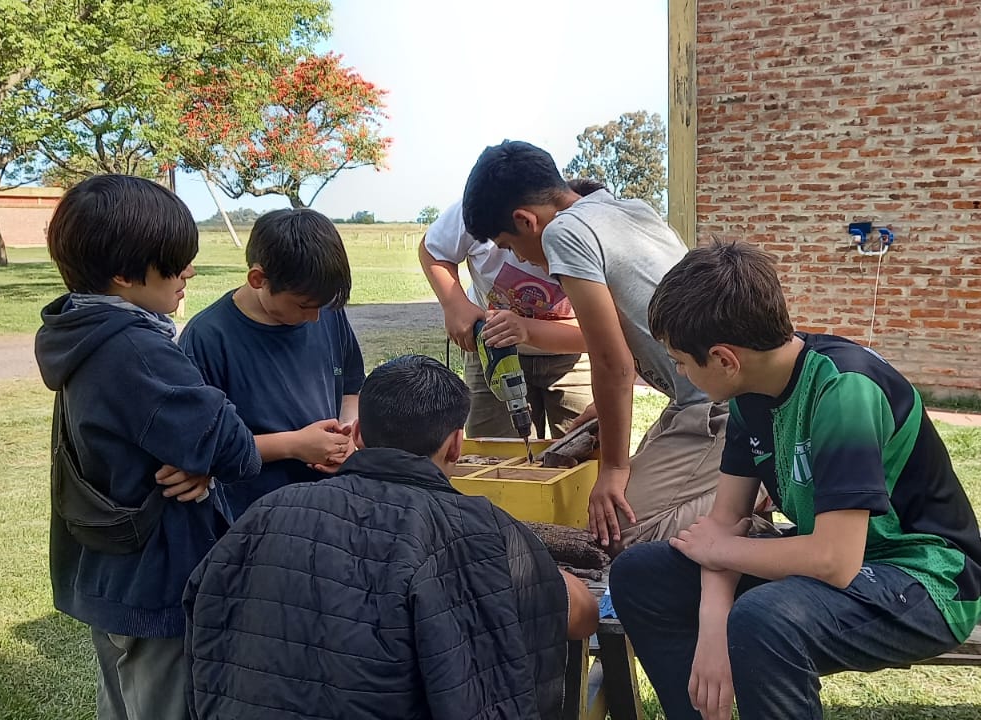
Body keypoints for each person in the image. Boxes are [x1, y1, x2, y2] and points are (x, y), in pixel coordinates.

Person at [609, 242, 981, 719]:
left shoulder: (844, 390)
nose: (678, 371)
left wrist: (724, 555)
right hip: (842, 562)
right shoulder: (749, 393)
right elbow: (722, 527)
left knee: (765, 621)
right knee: (640, 574)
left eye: (681, 361)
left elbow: (834, 561)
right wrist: (713, 628)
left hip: (927, 578)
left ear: (724, 358)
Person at [184, 355, 599, 720]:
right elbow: (582, 613)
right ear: (456, 445)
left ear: (358, 434)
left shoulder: (266, 513)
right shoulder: (478, 528)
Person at [35, 174, 268, 720]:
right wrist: (209, 459)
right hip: (154, 579)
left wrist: (200, 465)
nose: (188, 273)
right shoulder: (138, 349)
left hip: (108, 568)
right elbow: (236, 447)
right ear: (123, 274)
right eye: (174, 262)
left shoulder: (80, 328)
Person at [462, 141, 742, 548]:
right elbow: (632, 337)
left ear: (525, 221)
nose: (519, 259)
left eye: (508, 246)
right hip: (695, 398)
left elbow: (613, 363)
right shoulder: (626, 209)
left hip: (718, 407)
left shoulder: (563, 233)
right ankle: (739, 487)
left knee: (618, 528)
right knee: (616, 508)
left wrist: (612, 468)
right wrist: (602, 409)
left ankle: (751, 493)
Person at [179, 208, 363, 520]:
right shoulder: (208, 337)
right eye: (303, 306)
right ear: (258, 279)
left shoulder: (326, 310)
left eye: (323, 306)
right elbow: (203, 449)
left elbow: (350, 388)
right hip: (251, 518)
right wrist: (295, 445)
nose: (315, 318)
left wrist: (347, 436)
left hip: (327, 507)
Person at [417, 179, 607, 439]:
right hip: (493, 351)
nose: (518, 257)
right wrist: (455, 305)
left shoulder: (590, 233)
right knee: (494, 447)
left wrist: (526, 329)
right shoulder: (483, 210)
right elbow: (433, 248)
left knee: (583, 446)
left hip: (570, 357)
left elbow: (599, 334)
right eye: (504, 246)